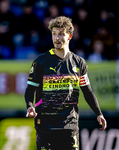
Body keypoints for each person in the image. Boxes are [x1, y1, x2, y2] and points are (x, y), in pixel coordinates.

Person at [24, 16, 107, 150]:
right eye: (54, 34)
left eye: (61, 34)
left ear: (70, 36)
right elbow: (30, 89)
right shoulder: (40, 61)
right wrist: (29, 106)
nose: (57, 38)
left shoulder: (79, 63)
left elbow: (87, 91)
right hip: (45, 126)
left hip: (70, 127)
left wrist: (99, 113)